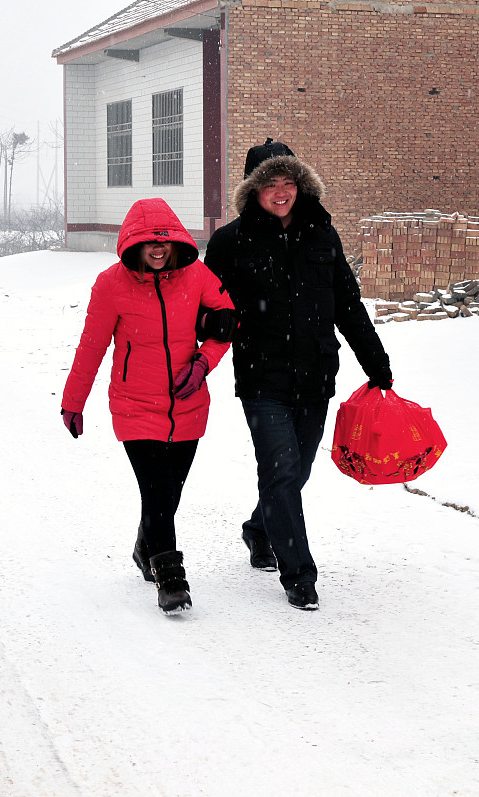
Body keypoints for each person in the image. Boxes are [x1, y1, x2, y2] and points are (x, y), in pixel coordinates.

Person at [204, 139, 394, 611]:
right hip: (261, 376)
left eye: (288, 182)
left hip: (314, 376)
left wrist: (376, 362)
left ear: (301, 185)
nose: (281, 192)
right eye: (270, 184)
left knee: (297, 469)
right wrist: (208, 333)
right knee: (282, 468)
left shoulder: (322, 236)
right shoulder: (230, 242)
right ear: (254, 191)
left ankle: (259, 529)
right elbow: (204, 305)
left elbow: (347, 305)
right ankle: (300, 575)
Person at [60, 198, 234, 615]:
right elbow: (92, 346)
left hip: (188, 403)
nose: (158, 249)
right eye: (148, 243)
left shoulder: (197, 276)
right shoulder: (110, 284)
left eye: (165, 241)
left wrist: (203, 363)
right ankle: (170, 576)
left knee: (168, 493)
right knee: (156, 489)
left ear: (176, 242)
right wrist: (73, 400)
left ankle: (146, 547)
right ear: (133, 244)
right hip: (134, 405)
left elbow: (227, 320)